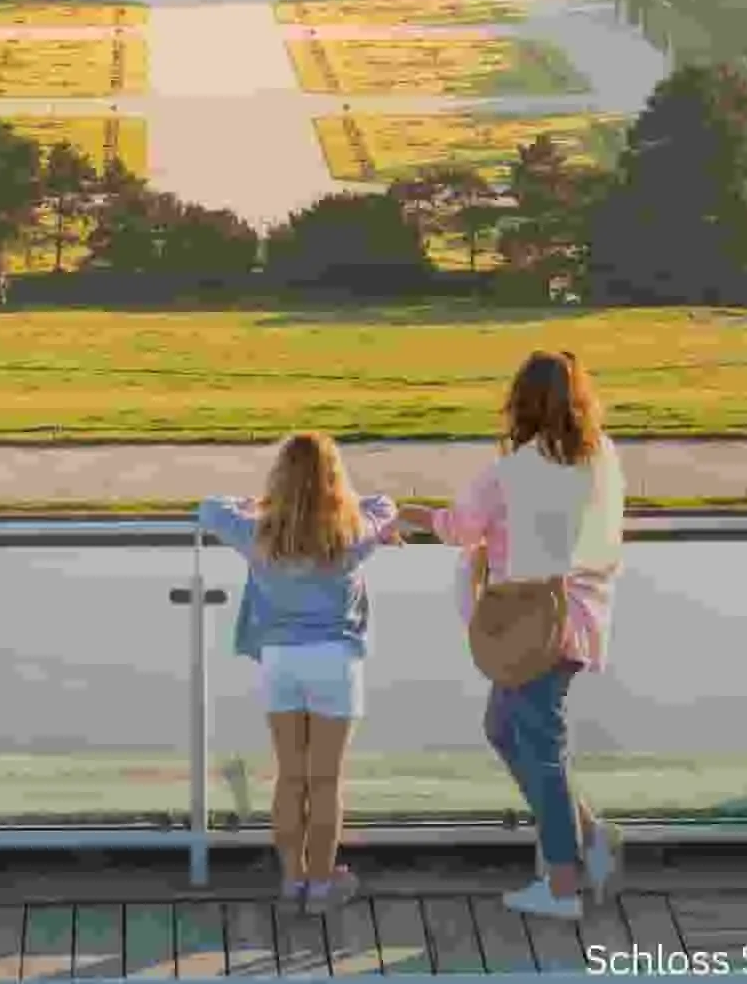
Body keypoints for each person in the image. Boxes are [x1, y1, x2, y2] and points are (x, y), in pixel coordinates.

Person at [401, 350, 628, 919]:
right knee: (503, 726)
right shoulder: (602, 459)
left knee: (540, 747)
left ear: (521, 405)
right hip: (582, 616)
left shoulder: (511, 472)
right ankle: (588, 837)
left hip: (533, 625)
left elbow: (459, 527)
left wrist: (412, 514)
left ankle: (562, 884)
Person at [197, 432, 403, 906]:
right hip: (335, 660)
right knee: (326, 781)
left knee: (291, 776)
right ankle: (322, 882)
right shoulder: (351, 533)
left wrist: (255, 504)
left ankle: (292, 879)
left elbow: (208, 508)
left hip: (279, 661)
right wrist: (348, 502)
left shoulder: (259, 533)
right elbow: (385, 505)